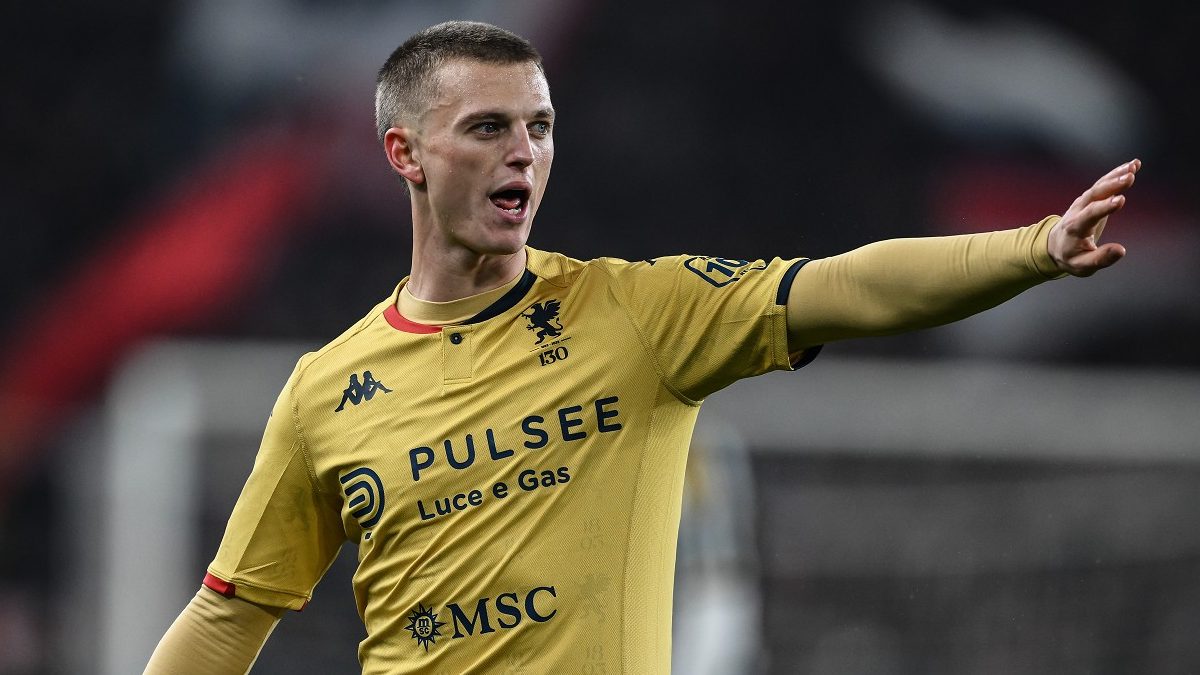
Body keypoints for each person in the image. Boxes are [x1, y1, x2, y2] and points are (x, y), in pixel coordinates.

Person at [144, 20, 1140, 674]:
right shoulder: (328, 388)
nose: (523, 152)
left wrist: (1032, 249)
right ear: (404, 153)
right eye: (487, 127)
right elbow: (231, 613)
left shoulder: (637, 314)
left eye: (539, 127)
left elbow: (843, 288)